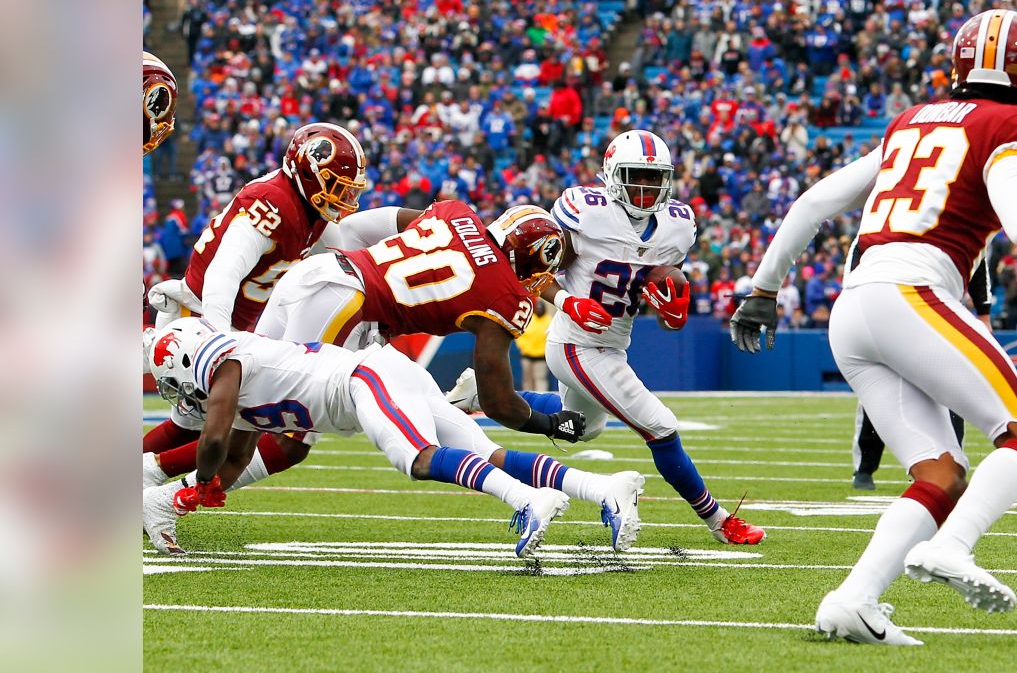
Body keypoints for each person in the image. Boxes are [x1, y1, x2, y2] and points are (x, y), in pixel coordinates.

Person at [730, 9, 1017, 644]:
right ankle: (955, 547)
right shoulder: (1014, 121)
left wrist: (763, 288)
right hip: (909, 294)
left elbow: (814, 201)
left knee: (941, 475)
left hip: (854, 304)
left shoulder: (911, 120)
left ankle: (853, 601)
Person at [146, 202, 645, 552]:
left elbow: (375, 221)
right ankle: (161, 488)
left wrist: (345, 252)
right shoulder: (506, 296)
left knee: (259, 399)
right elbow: (501, 402)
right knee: (283, 424)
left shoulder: (458, 213)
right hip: (351, 309)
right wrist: (546, 422)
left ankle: (600, 488)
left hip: (326, 275)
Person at [448, 130, 766, 545]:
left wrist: (669, 306)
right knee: (660, 426)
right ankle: (719, 520)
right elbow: (530, 268)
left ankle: (482, 395)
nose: (646, 187)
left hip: (614, 341)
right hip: (577, 341)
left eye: (655, 178)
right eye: (636, 176)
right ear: (613, 175)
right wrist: (565, 301)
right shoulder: (587, 212)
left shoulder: (677, 225)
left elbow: (659, 294)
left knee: (581, 427)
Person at [142, 319, 571, 559]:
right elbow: (234, 458)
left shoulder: (228, 364)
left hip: (364, 380)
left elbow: (214, 441)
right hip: (379, 378)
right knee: (481, 452)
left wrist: (200, 483)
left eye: (173, 382)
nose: (179, 394)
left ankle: (526, 500)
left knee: (418, 460)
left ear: (185, 361)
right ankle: (586, 489)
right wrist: (175, 502)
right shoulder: (233, 388)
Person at [143, 122, 380, 512]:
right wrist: (216, 339)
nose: (342, 198)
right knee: (220, 425)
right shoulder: (274, 202)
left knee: (193, 425)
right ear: (306, 170)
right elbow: (225, 270)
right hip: (202, 317)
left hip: (231, 322)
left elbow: (343, 260)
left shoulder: (308, 208)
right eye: (335, 186)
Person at [852, 258, 992, 491]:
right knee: (879, 391)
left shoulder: (959, 228)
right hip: (894, 313)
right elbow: (858, 261)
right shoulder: (887, 229)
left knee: (952, 392)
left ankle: (952, 465)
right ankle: (865, 467)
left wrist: (984, 313)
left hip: (942, 316)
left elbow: (978, 260)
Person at [519, 300, 554, 392]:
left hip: (541, 357)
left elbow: (551, 338)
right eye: (537, 308)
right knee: (527, 380)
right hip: (527, 355)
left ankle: (541, 399)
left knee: (540, 380)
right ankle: (527, 401)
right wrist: (523, 347)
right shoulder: (529, 319)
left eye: (541, 308)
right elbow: (521, 335)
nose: (539, 310)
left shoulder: (549, 321)